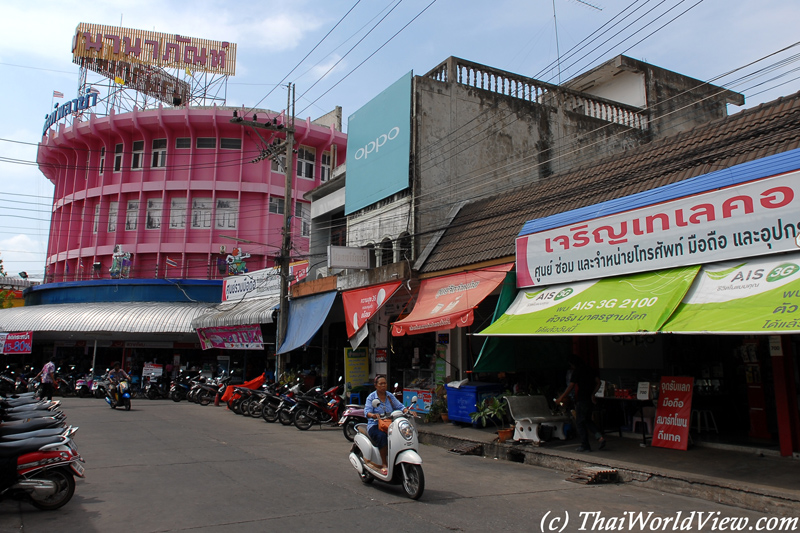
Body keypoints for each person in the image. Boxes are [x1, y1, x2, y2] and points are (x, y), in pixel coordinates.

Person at [557, 355, 606, 452]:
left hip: (582, 399)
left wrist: (561, 397)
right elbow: (598, 382)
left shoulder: (577, 371)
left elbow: (571, 386)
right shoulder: (590, 369)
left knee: (580, 422)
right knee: (588, 420)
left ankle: (585, 445)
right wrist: (593, 394)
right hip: (589, 399)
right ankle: (600, 437)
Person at [363, 375, 408, 475]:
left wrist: (407, 411)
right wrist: (373, 415)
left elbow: (399, 406)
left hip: (390, 424)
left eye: (385, 383)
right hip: (375, 425)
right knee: (382, 437)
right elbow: (367, 412)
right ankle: (384, 463)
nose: (383, 386)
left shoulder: (389, 395)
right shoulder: (371, 397)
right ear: (376, 385)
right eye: (381, 384)